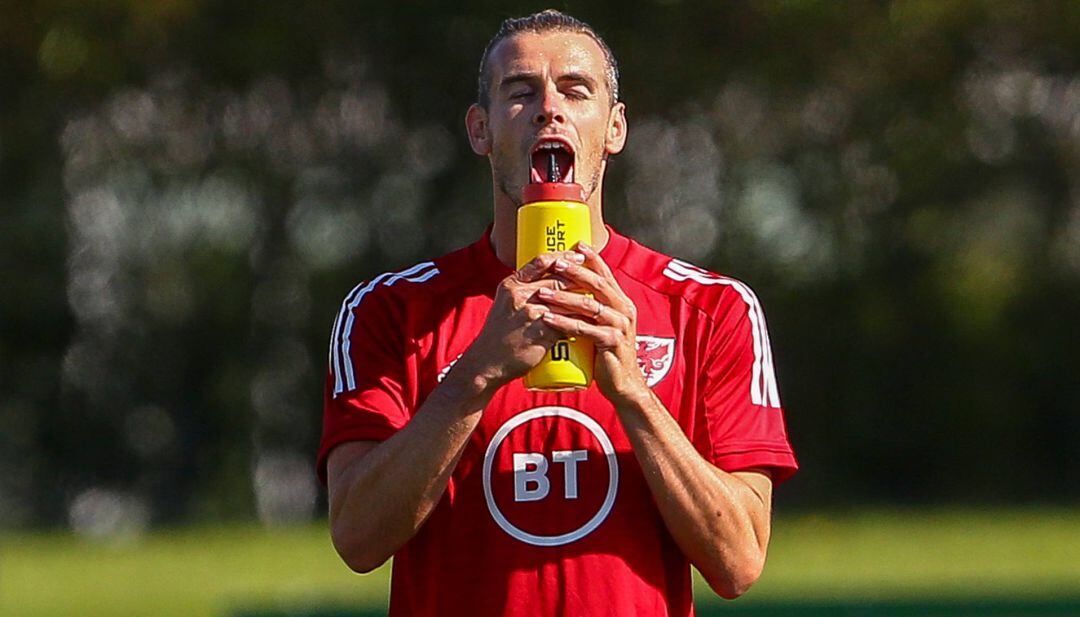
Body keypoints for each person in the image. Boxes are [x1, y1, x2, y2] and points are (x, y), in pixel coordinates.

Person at [317, 9, 797, 616]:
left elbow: (739, 562)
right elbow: (357, 538)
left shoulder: (710, 307)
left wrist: (634, 394)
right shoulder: (390, 310)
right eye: (520, 92)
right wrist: (476, 375)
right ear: (480, 129)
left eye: (576, 89)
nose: (549, 107)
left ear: (615, 128)